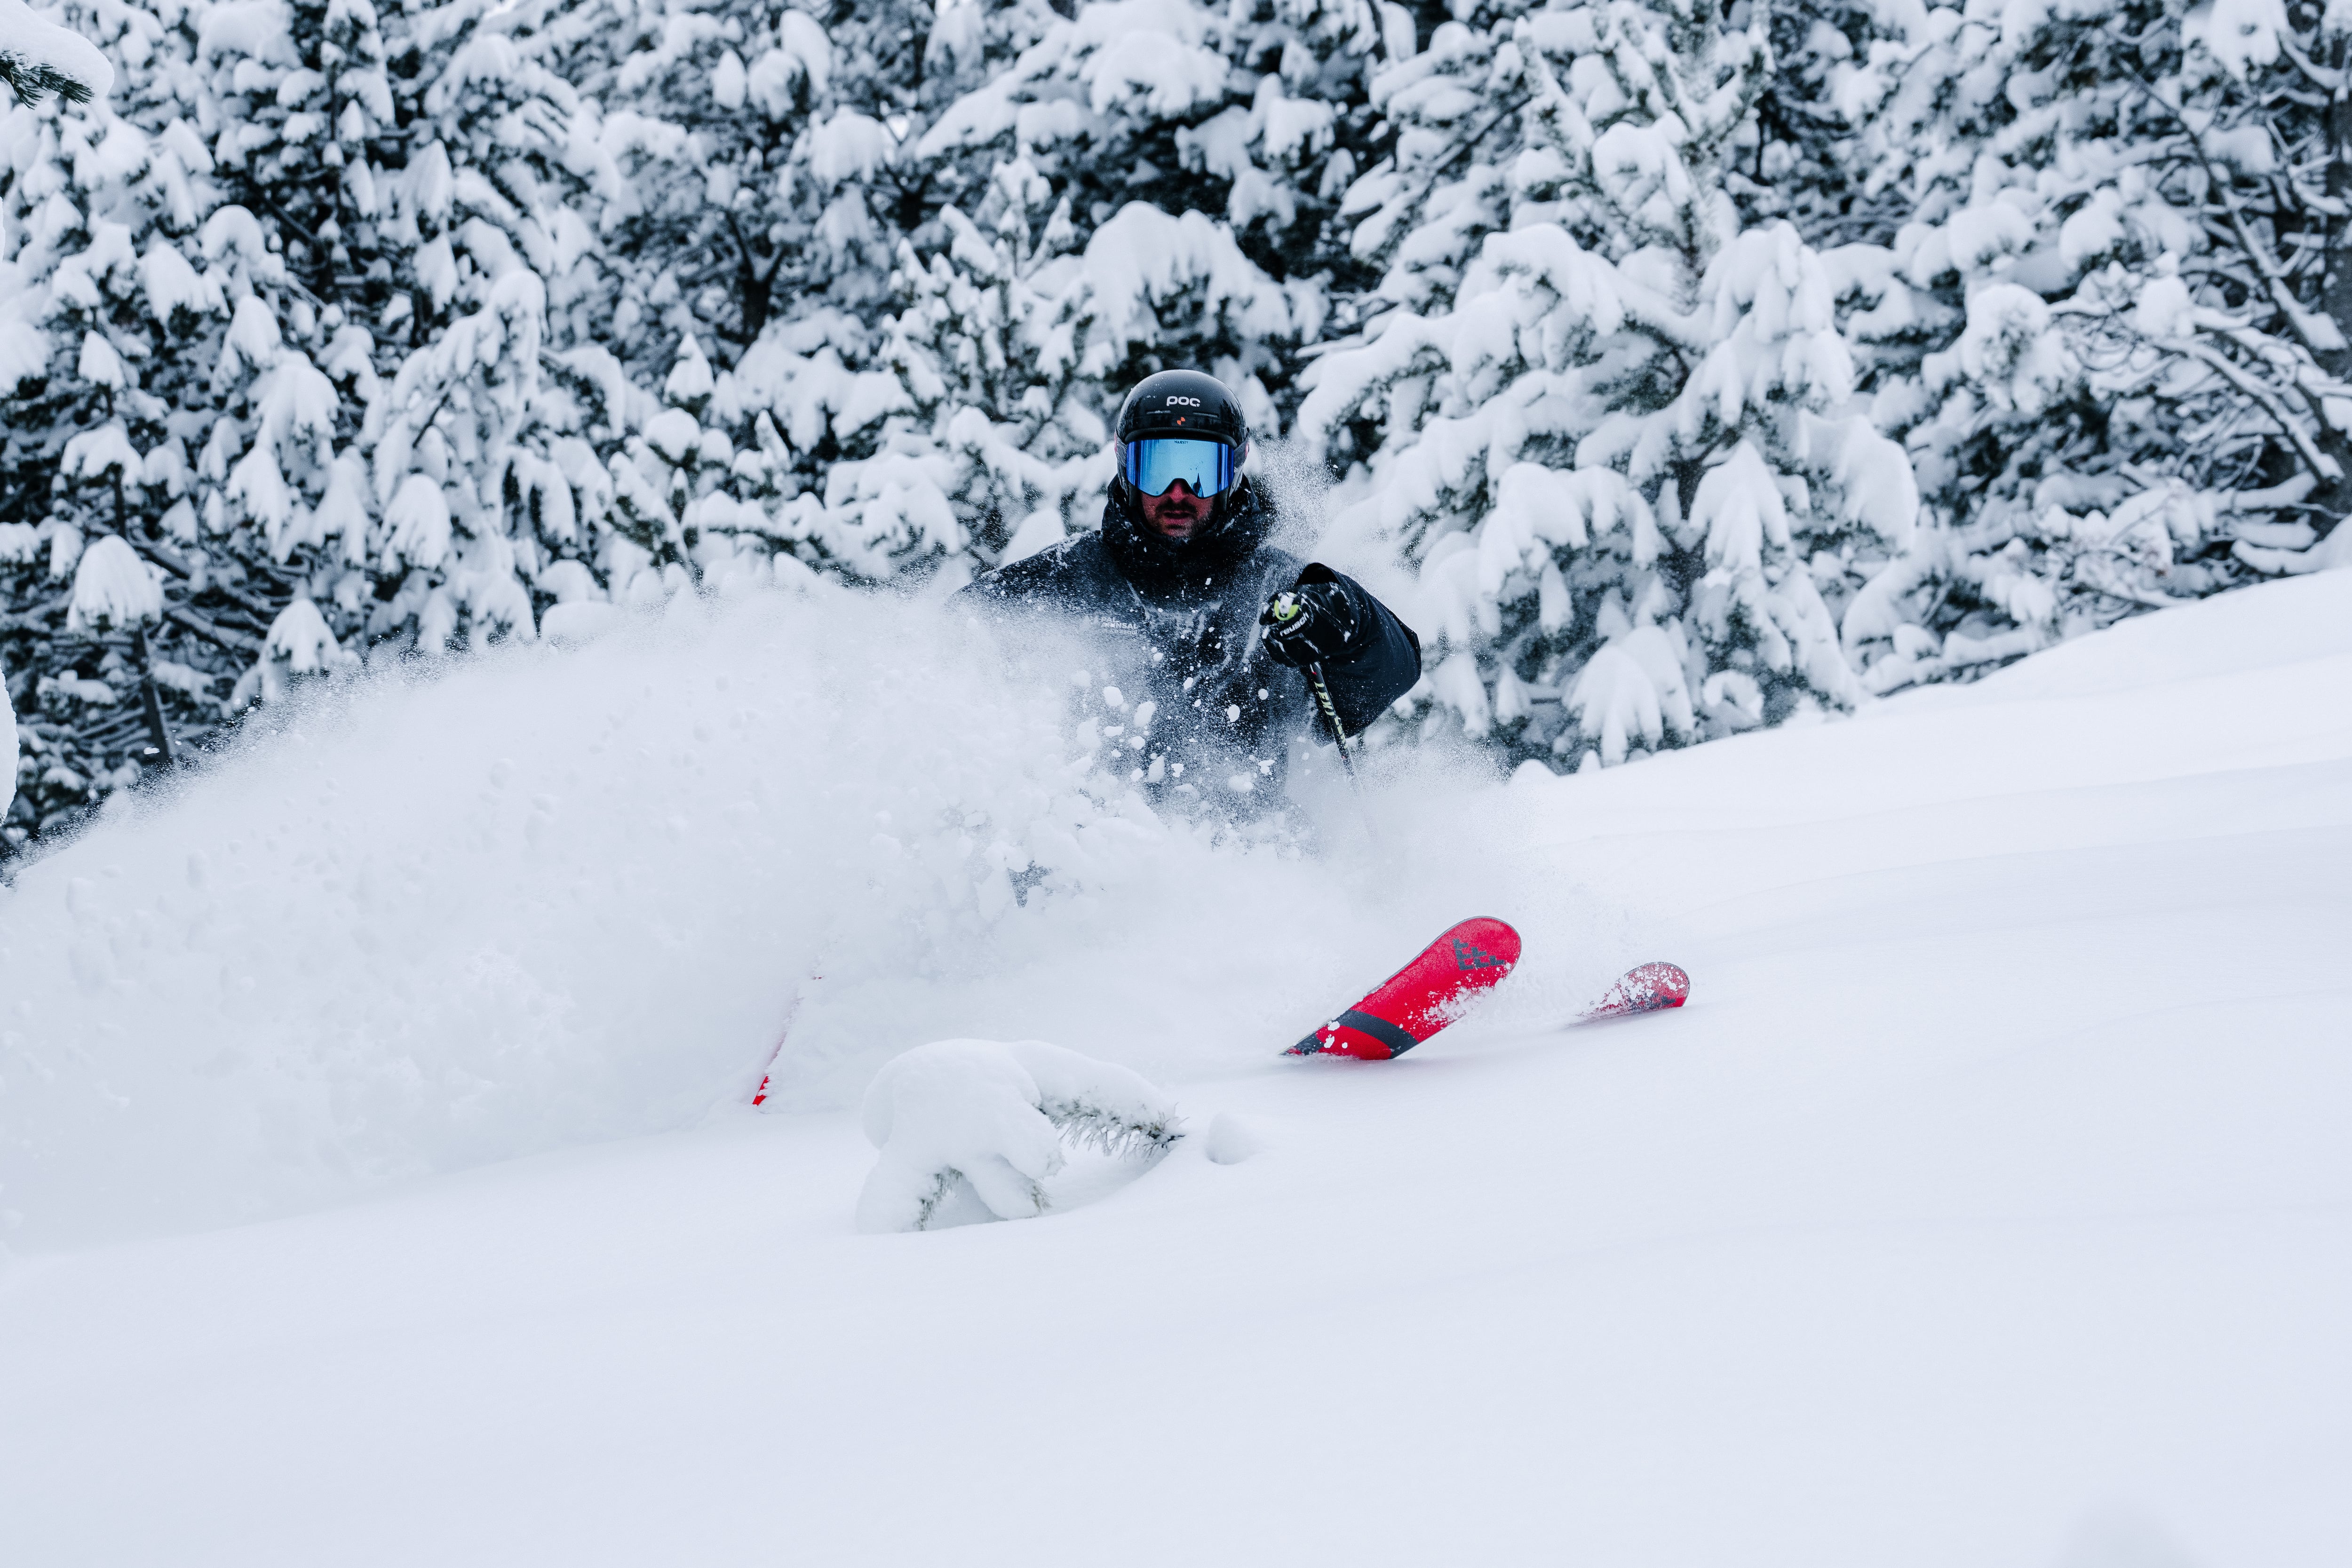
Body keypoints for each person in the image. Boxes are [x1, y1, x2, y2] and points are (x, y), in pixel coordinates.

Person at [960, 369, 1421, 810]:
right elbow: (945, 647)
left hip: (1243, 854)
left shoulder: (1274, 588)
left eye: (1201, 470)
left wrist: (1346, 619)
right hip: (1088, 841)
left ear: (1232, 475)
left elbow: (1391, 671)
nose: (1178, 492)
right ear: (1126, 469)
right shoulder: (1067, 578)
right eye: (1157, 468)